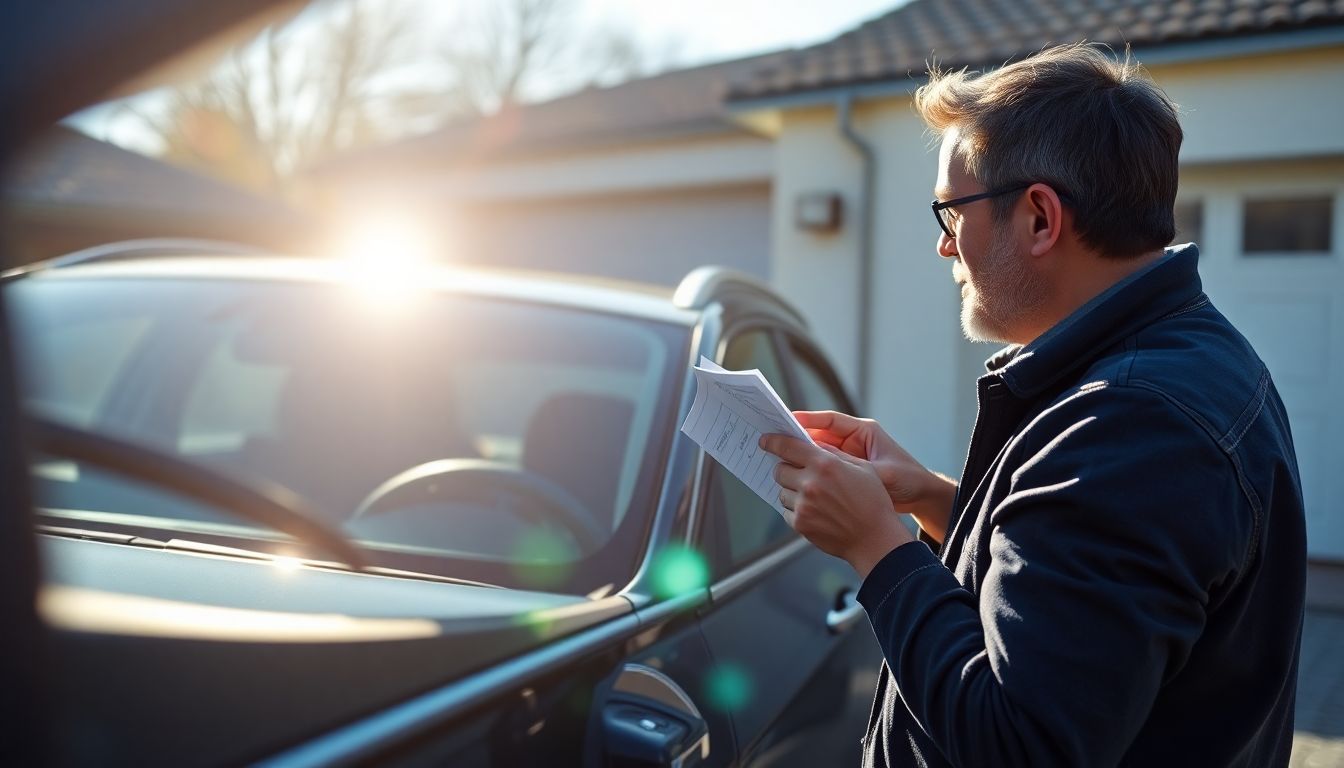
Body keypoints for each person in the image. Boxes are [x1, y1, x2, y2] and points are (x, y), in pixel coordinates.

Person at [760, 43, 1306, 767]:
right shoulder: (1181, 366)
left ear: (1041, 218)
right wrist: (927, 498)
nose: (943, 248)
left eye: (950, 213)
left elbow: (1019, 744)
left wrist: (877, 548)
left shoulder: (1134, 426)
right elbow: (1071, 589)